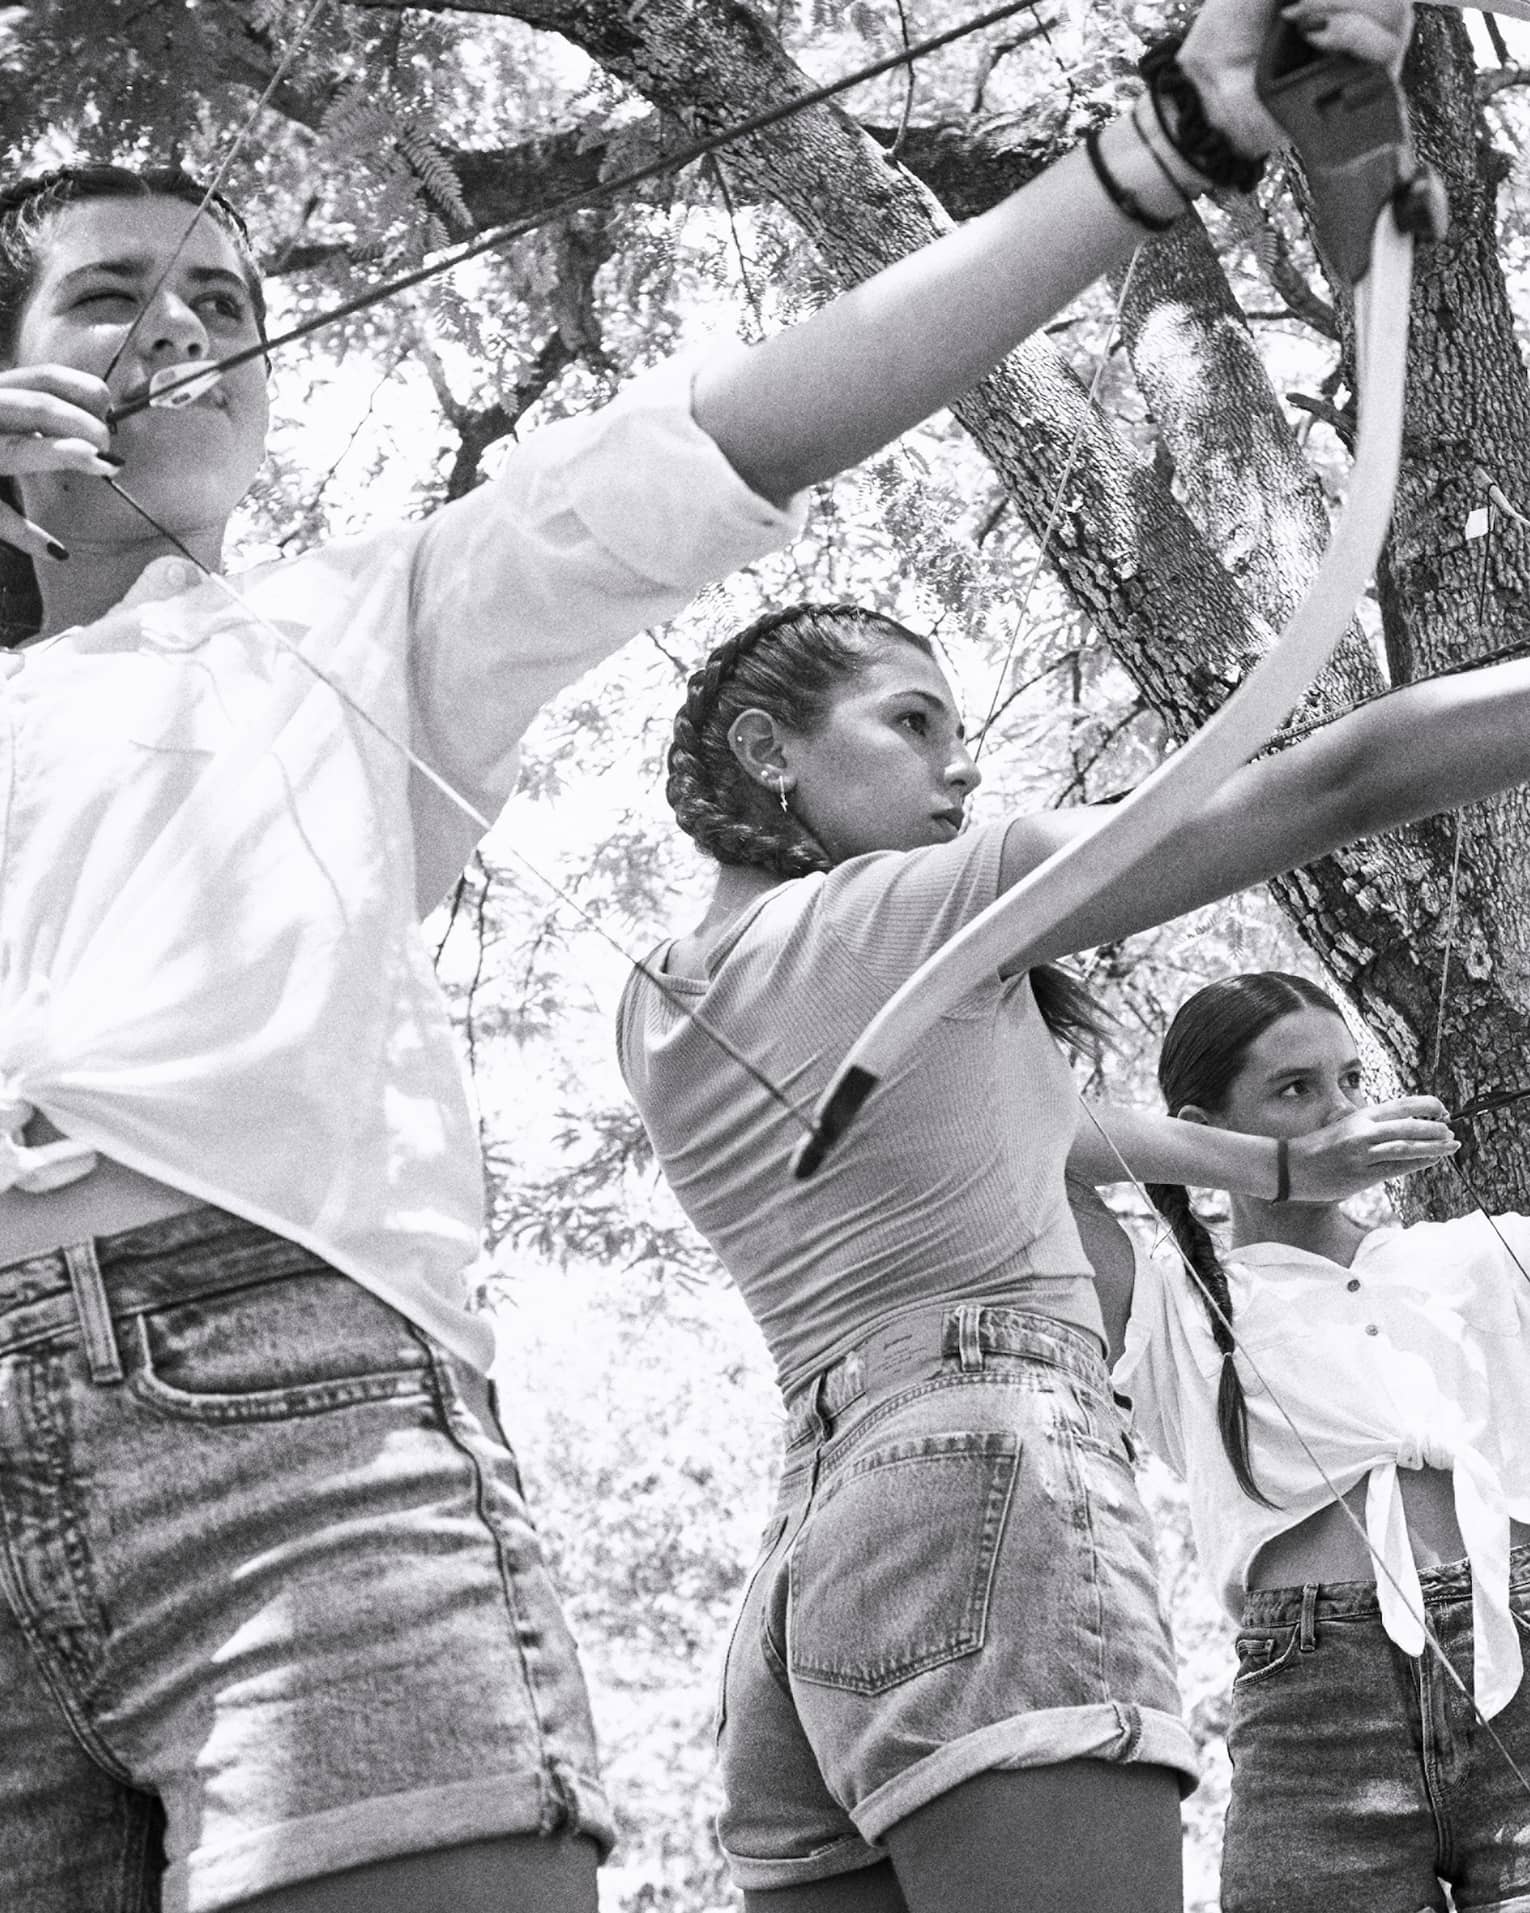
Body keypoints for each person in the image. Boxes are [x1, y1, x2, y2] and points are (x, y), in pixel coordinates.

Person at [0, 0, 1411, 1901]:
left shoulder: (363, 623)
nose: (186, 333)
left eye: (236, 311)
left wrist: (1166, 145)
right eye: (107, 302)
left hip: (273, 1393)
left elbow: (751, 418)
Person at [615, 574, 1530, 1913]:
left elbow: (1032, 1123)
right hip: (989, 1485)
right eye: (911, 722)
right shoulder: (919, 907)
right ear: (767, 752)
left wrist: (1265, 1162)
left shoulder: (662, 998)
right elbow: (1333, 783)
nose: (957, 763)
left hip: (814, 1563)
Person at [1113, 972, 1530, 1913]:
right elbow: (1031, 1140)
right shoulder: (1173, 1302)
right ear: (1204, 1128)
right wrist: (1282, 1171)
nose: (1340, 1111)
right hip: (1313, 1717)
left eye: (1349, 1080)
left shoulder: (1478, 1252)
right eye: (1295, 1090)